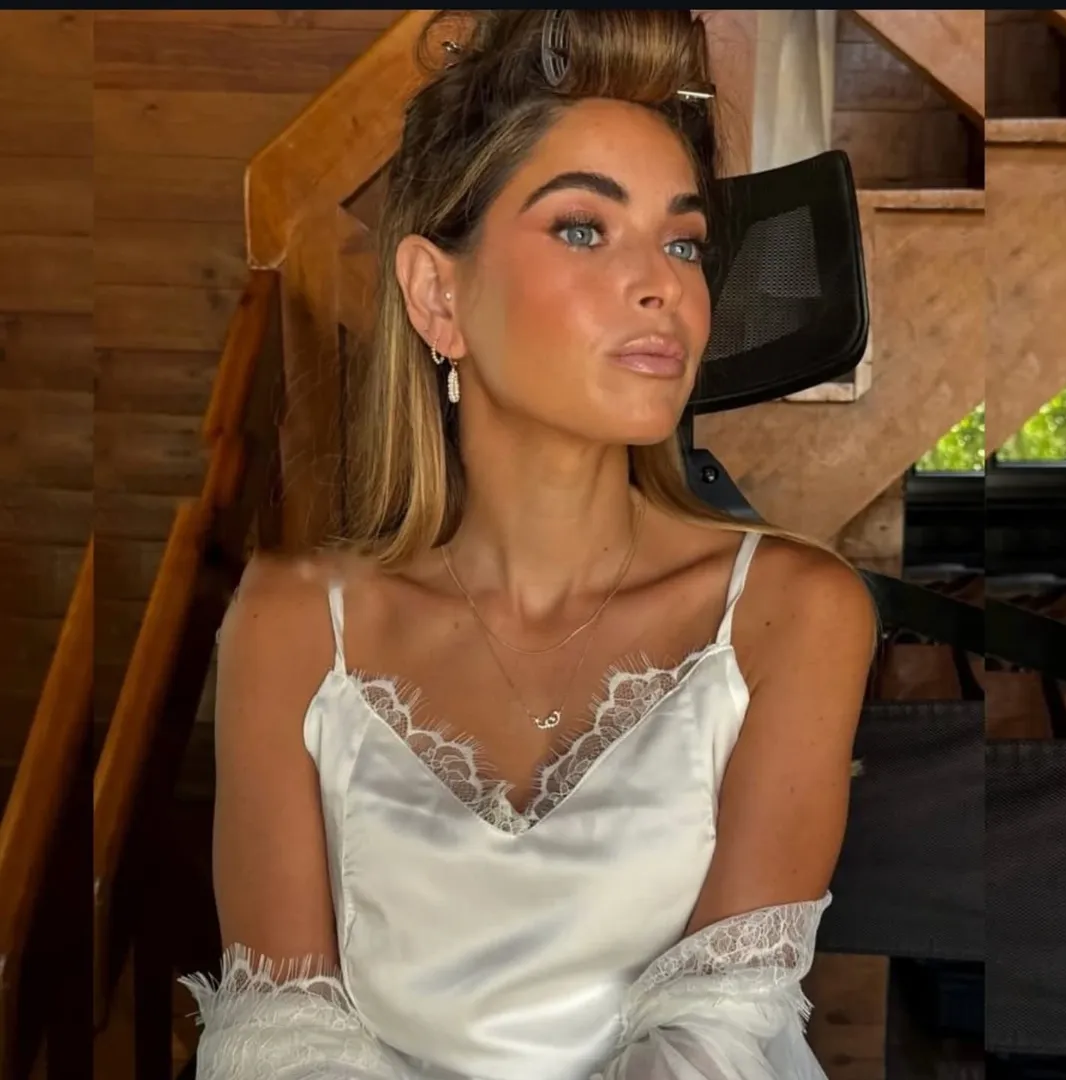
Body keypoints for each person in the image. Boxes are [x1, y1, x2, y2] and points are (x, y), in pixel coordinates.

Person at [180, 10, 877, 1079]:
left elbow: (719, 1034)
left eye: (684, 241)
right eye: (585, 229)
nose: (665, 286)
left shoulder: (793, 614)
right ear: (438, 295)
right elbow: (283, 1040)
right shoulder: (289, 625)